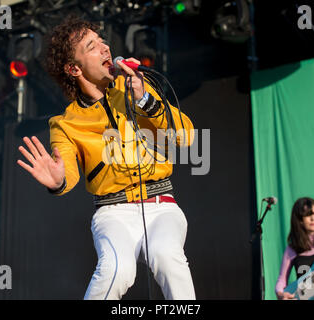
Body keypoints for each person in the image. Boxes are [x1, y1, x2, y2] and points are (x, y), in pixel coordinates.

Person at [16, 15, 196, 300]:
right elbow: (68, 174)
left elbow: (186, 138)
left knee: (166, 255)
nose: (105, 48)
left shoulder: (136, 89)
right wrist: (57, 180)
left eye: (102, 42)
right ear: (74, 68)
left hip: (162, 205)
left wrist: (146, 101)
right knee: (117, 268)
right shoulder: (65, 123)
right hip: (114, 213)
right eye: (92, 46)